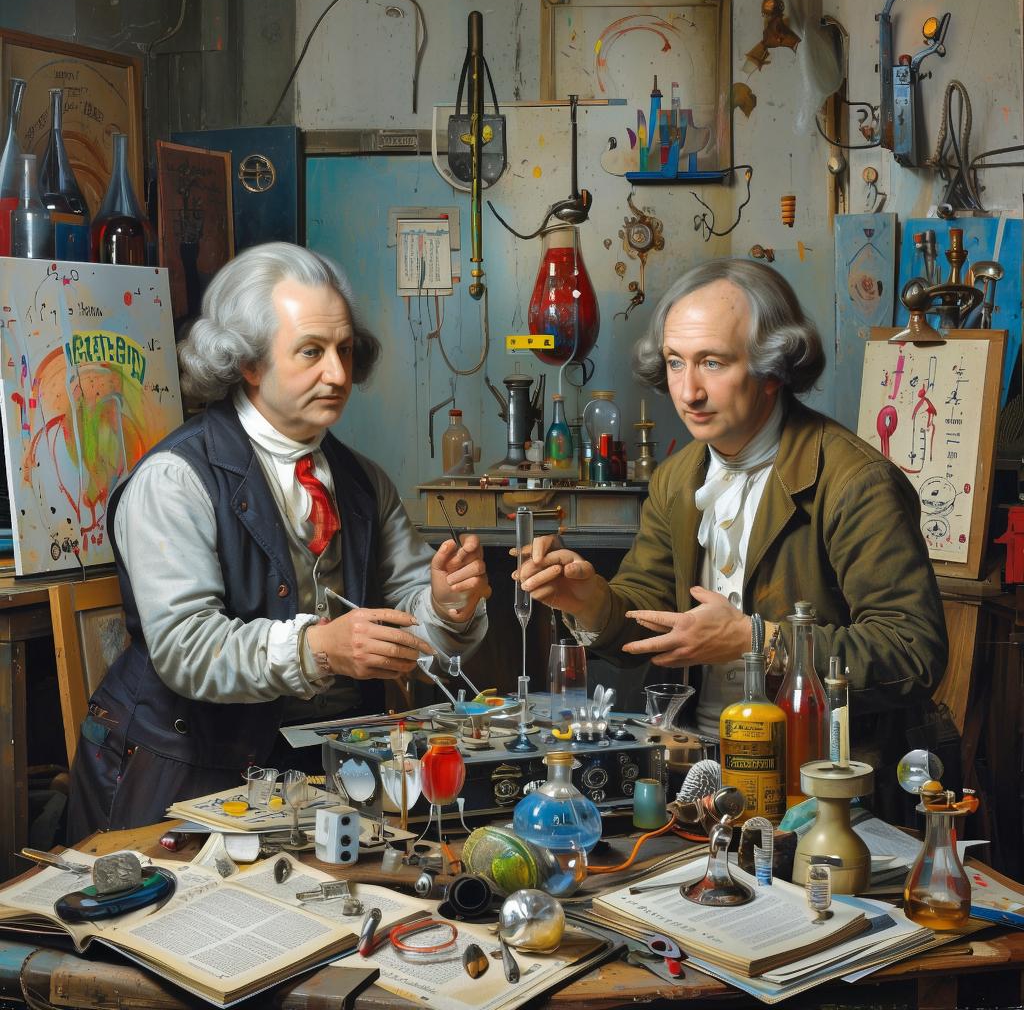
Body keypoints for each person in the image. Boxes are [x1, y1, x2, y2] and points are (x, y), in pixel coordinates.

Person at [67, 243, 490, 840]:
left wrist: (447, 607)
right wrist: (320, 650)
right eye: (312, 352)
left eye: (345, 350)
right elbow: (187, 649)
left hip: (329, 781)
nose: (338, 374)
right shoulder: (175, 479)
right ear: (248, 362)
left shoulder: (363, 483)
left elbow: (415, 637)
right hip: (182, 782)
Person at [517, 258, 949, 804]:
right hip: (692, 771)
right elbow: (648, 610)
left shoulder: (855, 482)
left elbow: (913, 653)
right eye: (675, 363)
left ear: (774, 370)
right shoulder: (677, 478)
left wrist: (759, 642)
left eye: (712, 363)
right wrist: (592, 602)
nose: (688, 392)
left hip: (816, 782)